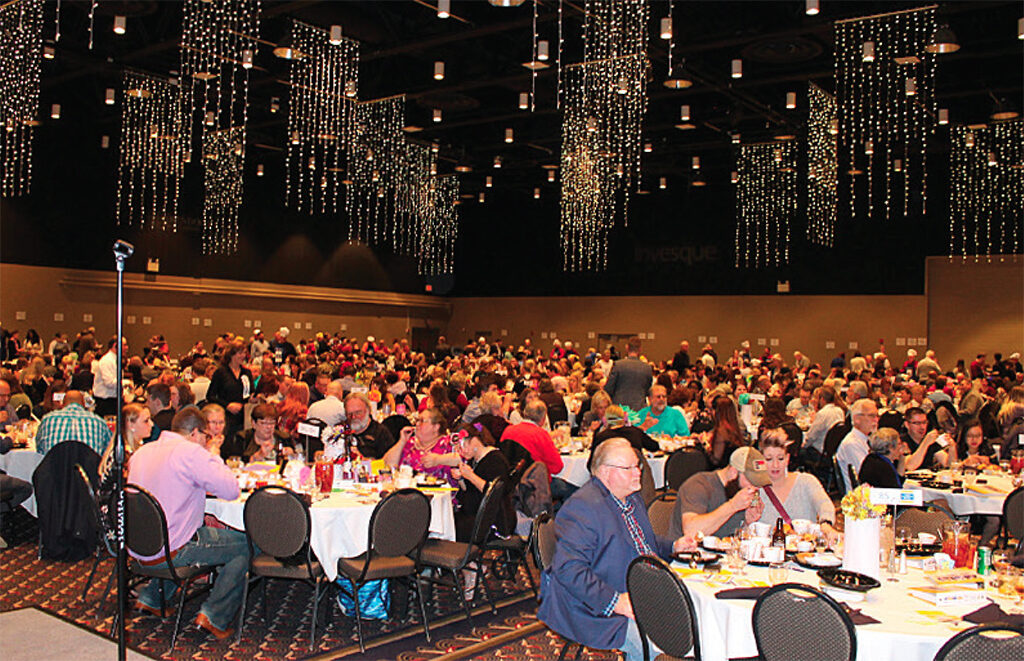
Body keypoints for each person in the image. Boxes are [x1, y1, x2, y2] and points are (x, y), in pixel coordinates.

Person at [537, 438, 697, 661]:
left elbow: (642, 542)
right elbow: (569, 570)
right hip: (594, 605)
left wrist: (673, 545)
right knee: (664, 645)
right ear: (605, 472)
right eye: (629, 468)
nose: (637, 472)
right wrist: (616, 602)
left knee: (698, 617)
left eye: (637, 466)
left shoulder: (630, 496)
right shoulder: (583, 508)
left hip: (642, 588)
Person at [127, 406, 247, 639]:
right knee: (246, 545)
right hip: (174, 550)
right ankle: (214, 616)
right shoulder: (191, 453)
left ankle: (152, 597)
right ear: (195, 434)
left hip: (139, 548)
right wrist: (212, 453)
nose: (206, 441)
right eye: (206, 436)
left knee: (187, 534)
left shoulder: (142, 452)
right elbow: (231, 490)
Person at [670, 446, 770, 539]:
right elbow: (691, 532)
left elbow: (731, 538)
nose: (755, 488)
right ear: (733, 472)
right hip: (688, 554)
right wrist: (732, 506)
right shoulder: (698, 485)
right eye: (752, 481)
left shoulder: (741, 489)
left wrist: (747, 524)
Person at [755, 429, 838, 540]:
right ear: (761, 461)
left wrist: (826, 524)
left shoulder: (806, 482)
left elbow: (824, 503)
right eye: (769, 459)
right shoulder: (755, 490)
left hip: (805, 552)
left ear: (787, 459)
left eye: (780, 459)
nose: (775, 465)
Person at [450, 422, 512, 543]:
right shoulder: (475, 460)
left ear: (474, 441)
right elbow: (469, 492)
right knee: (445, 520)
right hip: (477, 514)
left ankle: (461, 558)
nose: (461, 452)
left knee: (449, 525)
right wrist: (462, 479)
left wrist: (471, 476)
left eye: (462, 446)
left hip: (493, 521)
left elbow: (493, 494)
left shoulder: (495, 460)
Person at [384, 407, 458, 486]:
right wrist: (402, 441)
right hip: (407, 492)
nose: (417, 424)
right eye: (417, 420)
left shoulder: (447, 443)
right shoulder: (410, 442)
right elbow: (387, 464)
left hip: (438, 494)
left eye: (422, 421)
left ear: (436, 427)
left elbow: (462, 459)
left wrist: (438, 459)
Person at [204, 340, 253, 449]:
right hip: (226, 417)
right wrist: (227, 405)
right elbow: (210, 396)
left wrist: (253, 399)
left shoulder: (247, 373)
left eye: (244, 353)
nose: (243, 356)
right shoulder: (221, 373)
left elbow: (249, 393)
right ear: (231, 355)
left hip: (243, 417)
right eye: (240, 353)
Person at [35, 390, 112, 456]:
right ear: (84, 404)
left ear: (62, 404)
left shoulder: (48, 419)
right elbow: (109, 451)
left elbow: (40, 449)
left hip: (54, 470)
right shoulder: (99, 422)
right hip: (88, 471)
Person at [588, 406, 658, 470]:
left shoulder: (601, 437)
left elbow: (590, 465)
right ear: (624, 418)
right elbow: (654, 446)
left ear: (605, 420)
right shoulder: (636, 432)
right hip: (633, 473)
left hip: (609, 477)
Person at [98, 402, 152, 481]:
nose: (151, 424)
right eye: (146, 421)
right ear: (131, 425)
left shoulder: (135, 449)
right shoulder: (123, 456)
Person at [836, 398, 878, 493]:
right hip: (862, 497)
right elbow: (868, 476)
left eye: (877, 416)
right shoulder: (852, 443)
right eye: (872, 416)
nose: (876, 420)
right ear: (857, 419)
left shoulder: (866, 439)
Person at [604, 337, 653, 411]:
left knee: (615, 422)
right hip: (639, 410)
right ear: (640, 349)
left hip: (618, 410)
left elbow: (608, 388)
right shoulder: (647, 368)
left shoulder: (618, 365)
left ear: (627, 347)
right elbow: (647, 390)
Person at [344, 391, 395, 459]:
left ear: (368, 410)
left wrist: (364, 460)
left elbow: (389, 462)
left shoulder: (381, 432)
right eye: (349, 414)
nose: (353, 417)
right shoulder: (342, 432)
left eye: (358, 413)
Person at [706, 395, 748, 469]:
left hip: (722, 470)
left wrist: (705, 445)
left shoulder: (721, 431)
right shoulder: (733, 426)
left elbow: (715, 460)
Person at [899, 407, 943, 471]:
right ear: (907, 425)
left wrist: (952, 447)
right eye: (917, 423)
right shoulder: (901, 442)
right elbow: (910, 466)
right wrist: (925, 443)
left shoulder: (929, 440)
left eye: (924, 422)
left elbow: (947, 464)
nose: (922, 427)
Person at [92, 337, 125, 417]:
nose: (126, 348)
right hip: (106, 403)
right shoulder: (107, 361)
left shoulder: (115, 359)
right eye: (124, 345)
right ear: (115, 346)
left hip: (113, 400)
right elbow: (109, 383)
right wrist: (125, 382)